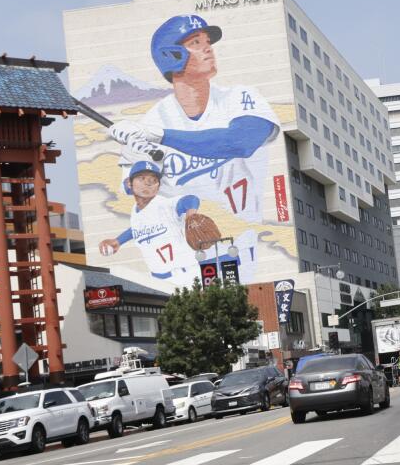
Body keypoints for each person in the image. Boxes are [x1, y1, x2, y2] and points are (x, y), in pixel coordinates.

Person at [107, 14, 281, 286]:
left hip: (242, 251)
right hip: (185, 263)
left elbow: (241, 142)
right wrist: (137, 160)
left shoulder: (239, 97)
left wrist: (161, 137)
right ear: (170, 55)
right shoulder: (148, 124)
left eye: (208, 41)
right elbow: (135, 195)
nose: (208, 47)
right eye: (196, 42)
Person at [98, 161, 201, 287]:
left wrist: (191, 215)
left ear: (158, 187)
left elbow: (190, 199)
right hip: (158, 280)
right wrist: (118, 241)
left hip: (186, 276)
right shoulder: (136, 211)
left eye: (153, 180)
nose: (147, 183)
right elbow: (137, 229)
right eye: (141, 178)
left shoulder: (164, 205)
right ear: (130, 183)